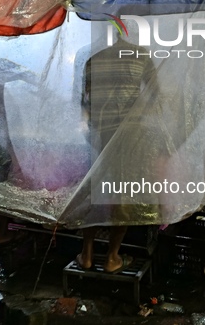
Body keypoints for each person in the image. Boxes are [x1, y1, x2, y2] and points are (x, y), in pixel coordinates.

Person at [77, 37, 155, 273]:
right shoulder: (141, 56)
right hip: (130, 135)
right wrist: (138, 115)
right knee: (124, 192)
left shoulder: (93, 59)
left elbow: (83, 101)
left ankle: (87, 253)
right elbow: (156, 94)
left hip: (99, 133)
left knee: (94, 189)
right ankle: (112, 257)